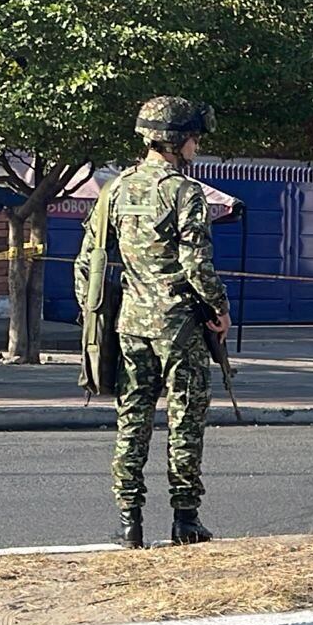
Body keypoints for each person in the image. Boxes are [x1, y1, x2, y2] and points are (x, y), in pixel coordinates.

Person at [76, 96, 229, 548]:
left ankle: (129, 522)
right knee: (185, 423)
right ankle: (185, 520)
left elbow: (88, 261)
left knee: (132, 421)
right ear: (177, 140)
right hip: (180, 326)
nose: (198, 145)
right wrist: (218, 309)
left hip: (130, 326)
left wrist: (94, 314)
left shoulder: (116, 190)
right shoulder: (184, 191)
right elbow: (197, 264)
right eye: (194, 137)